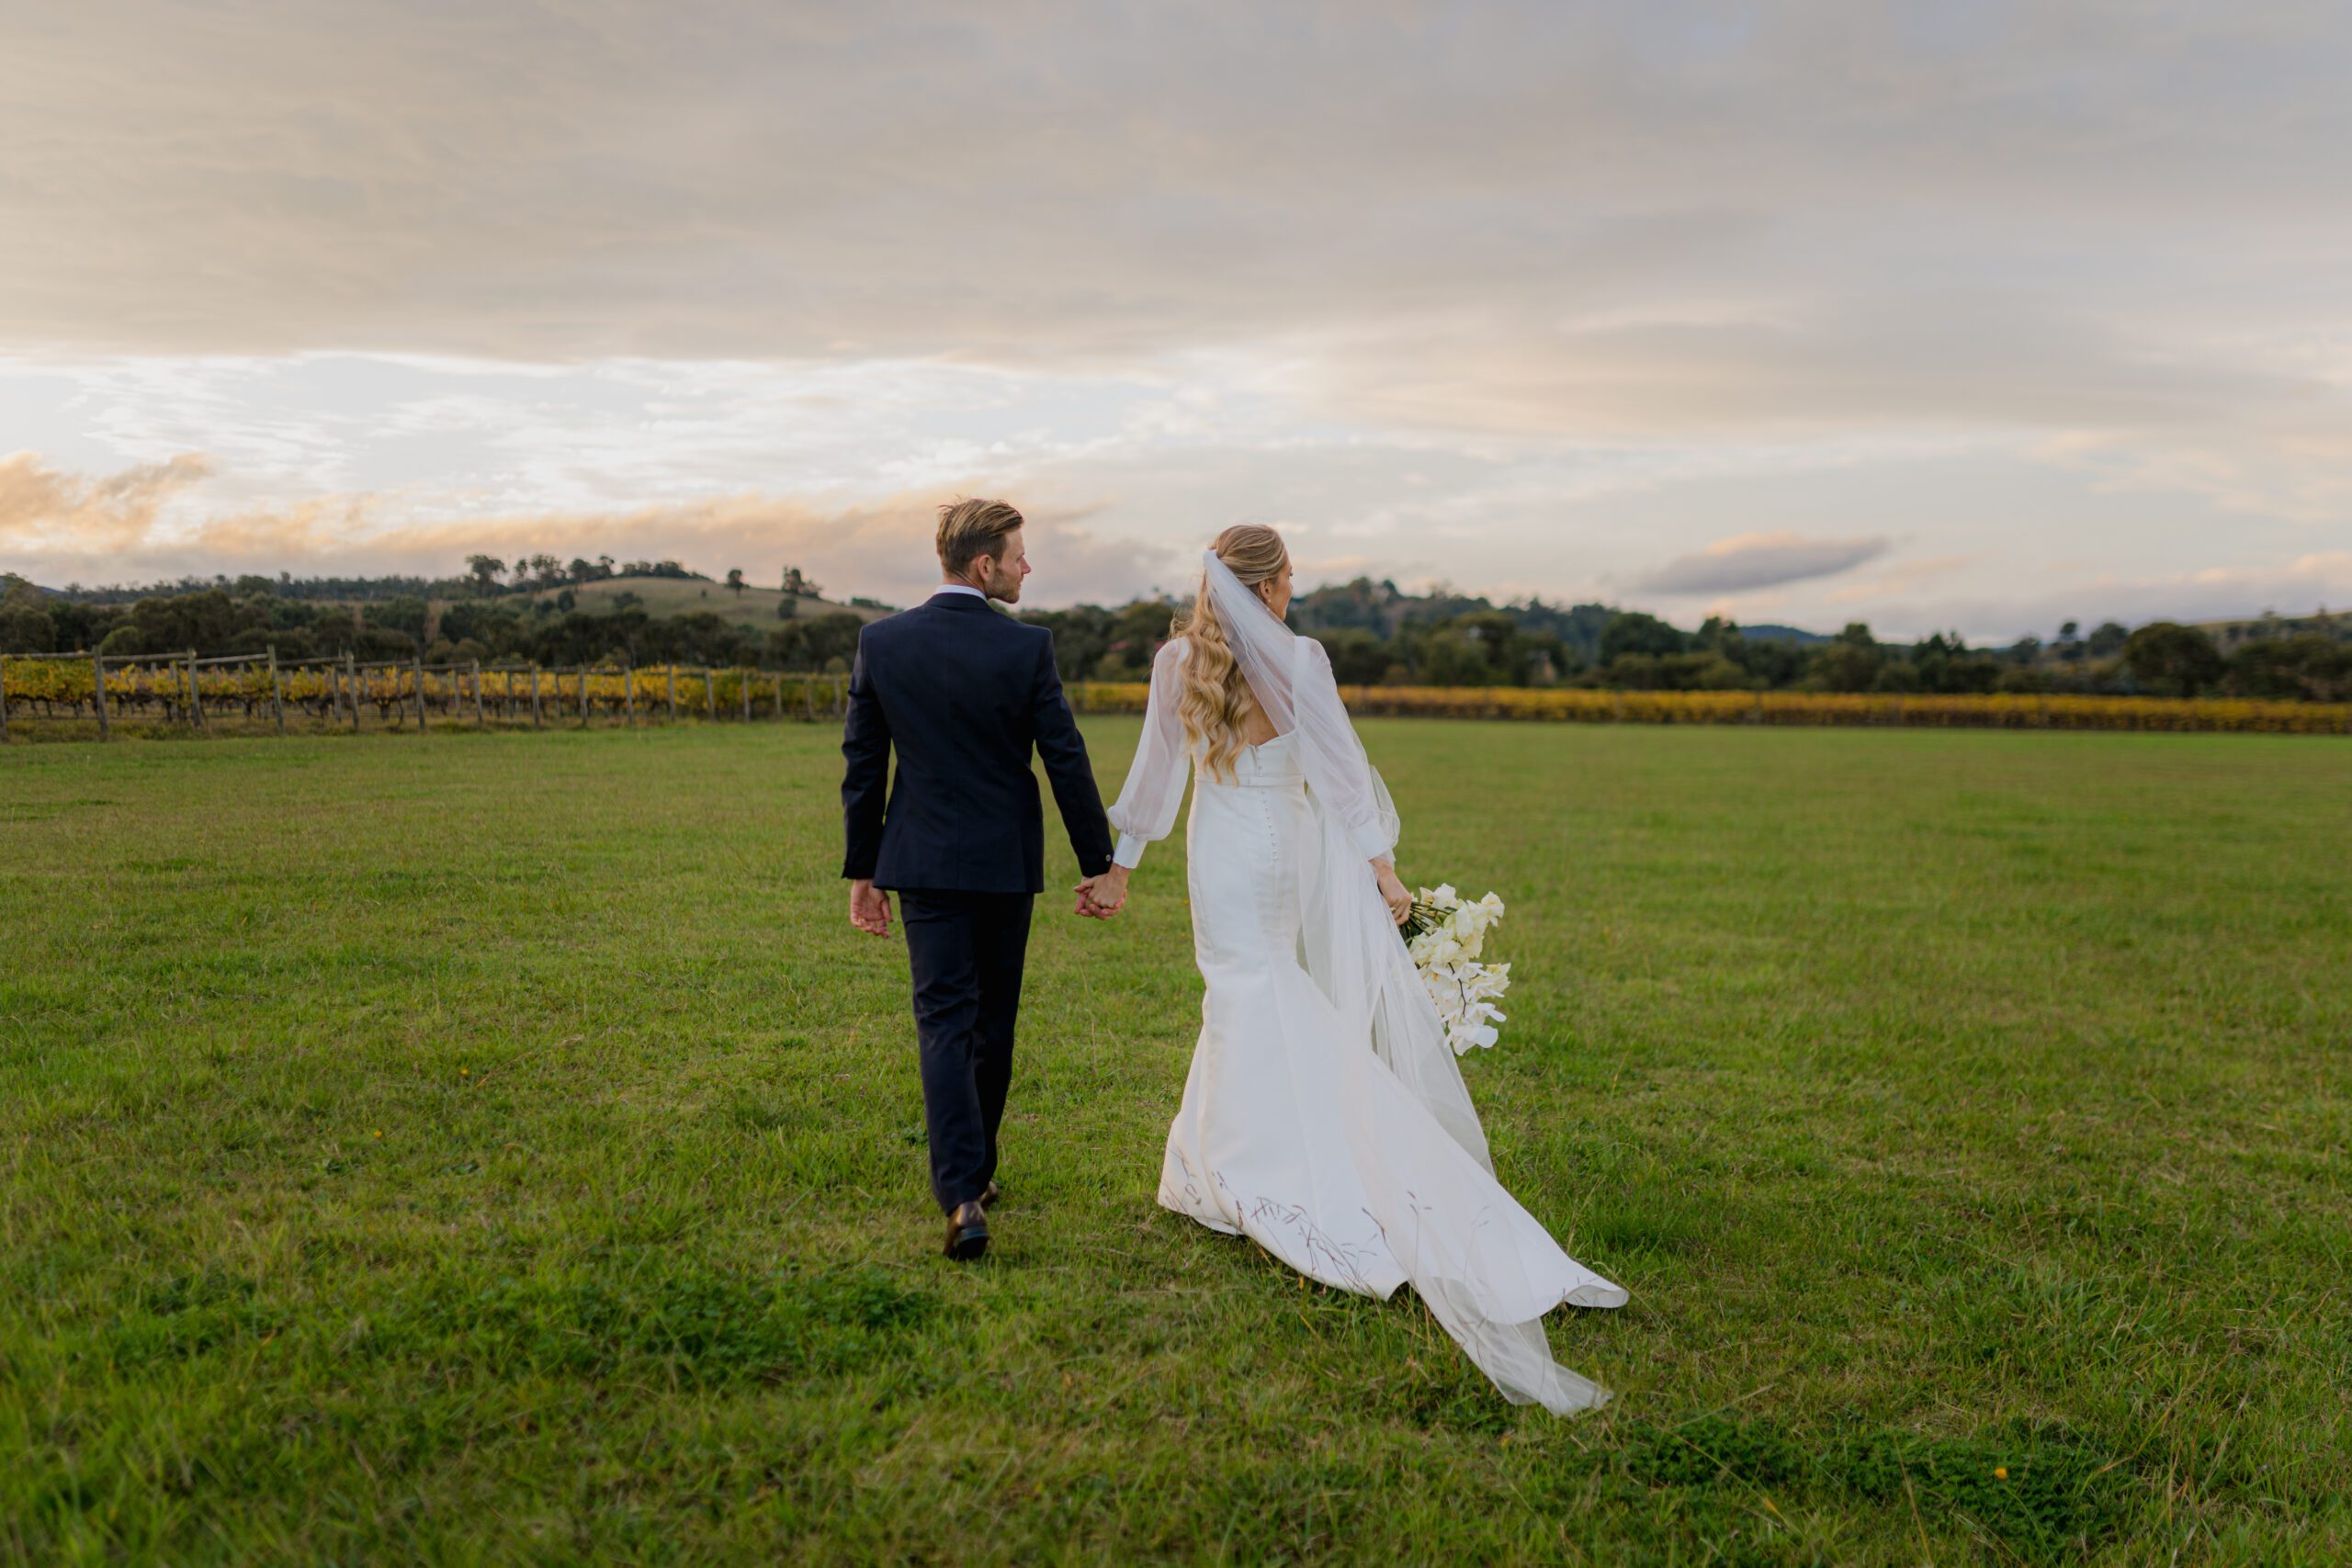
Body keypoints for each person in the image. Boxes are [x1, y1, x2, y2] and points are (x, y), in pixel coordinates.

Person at [1084, 524, 1627, 1413]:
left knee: (1245, 993)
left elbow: (1155, 777)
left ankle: (1251, 1171)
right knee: (1257, 993)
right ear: (1263, 588)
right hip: (1275, 846)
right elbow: (1341, 773)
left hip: (1218, 853)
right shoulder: (1301, 661)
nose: (1292, 592)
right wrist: (1380, 866)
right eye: (1288, 578)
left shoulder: (1175, 660)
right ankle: (1217, 1163)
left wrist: (1120, 866)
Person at [841, 498, 1125, 1261]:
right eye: (1019, 555)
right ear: (983, 565)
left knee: (943, 1020)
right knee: (991, 1020)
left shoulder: (882, 642)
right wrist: (1098, 862)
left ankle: (963, 1193)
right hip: (1004, 863)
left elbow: (864, 767)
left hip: (921, 861)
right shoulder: (1027, 648)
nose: (1028, 567)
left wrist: (863, 869)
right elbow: (1065, 756)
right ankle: (976, 1175)